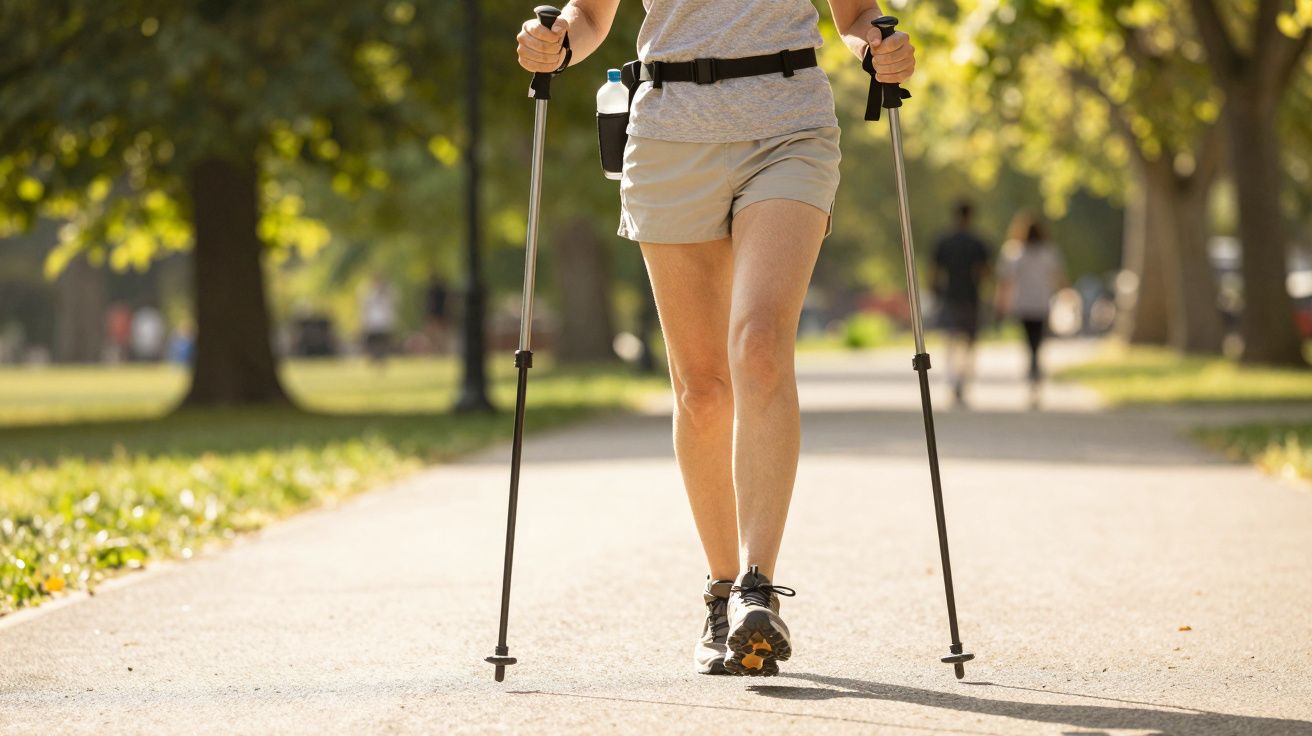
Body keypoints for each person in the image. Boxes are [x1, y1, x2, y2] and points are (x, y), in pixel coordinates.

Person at [517, 0, 916, 676]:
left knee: (761, 344)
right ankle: (722, 589)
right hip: (669, 134)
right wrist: (553, 44)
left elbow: (855, 14)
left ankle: (759, 588)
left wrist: (879, 45)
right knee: (702, 391)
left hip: (788, 126)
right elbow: (587, 17)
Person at [995, 212, 1066, 409]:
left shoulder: (1013, 252)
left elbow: (1005, 282)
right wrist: (1065, 293)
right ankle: (1035, 372)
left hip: (1023, 304)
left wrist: (1000, 304)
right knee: (1037, 342)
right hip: (1042, 303)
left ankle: (1033, 371)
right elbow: (1058, 277)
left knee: (1030, 342)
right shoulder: (1049, 252)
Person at [932, 200, 991, 407]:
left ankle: (953, 379)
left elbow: (935, 270)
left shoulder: (944, 242)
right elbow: (985, 272)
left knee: (951, 340)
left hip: (950, 296)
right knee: (969, 342)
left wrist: (935, 291)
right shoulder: (977, 243)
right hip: (971, 297)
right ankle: (962, 380)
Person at [360, 276, 398, 366]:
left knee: (383, 341)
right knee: (373, 341)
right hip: (373, 321)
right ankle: (373, 358)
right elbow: (365, 308)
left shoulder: (387, 294)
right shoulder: (369, 294)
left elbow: (391, 305)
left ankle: (382, 358)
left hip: (383, 322)